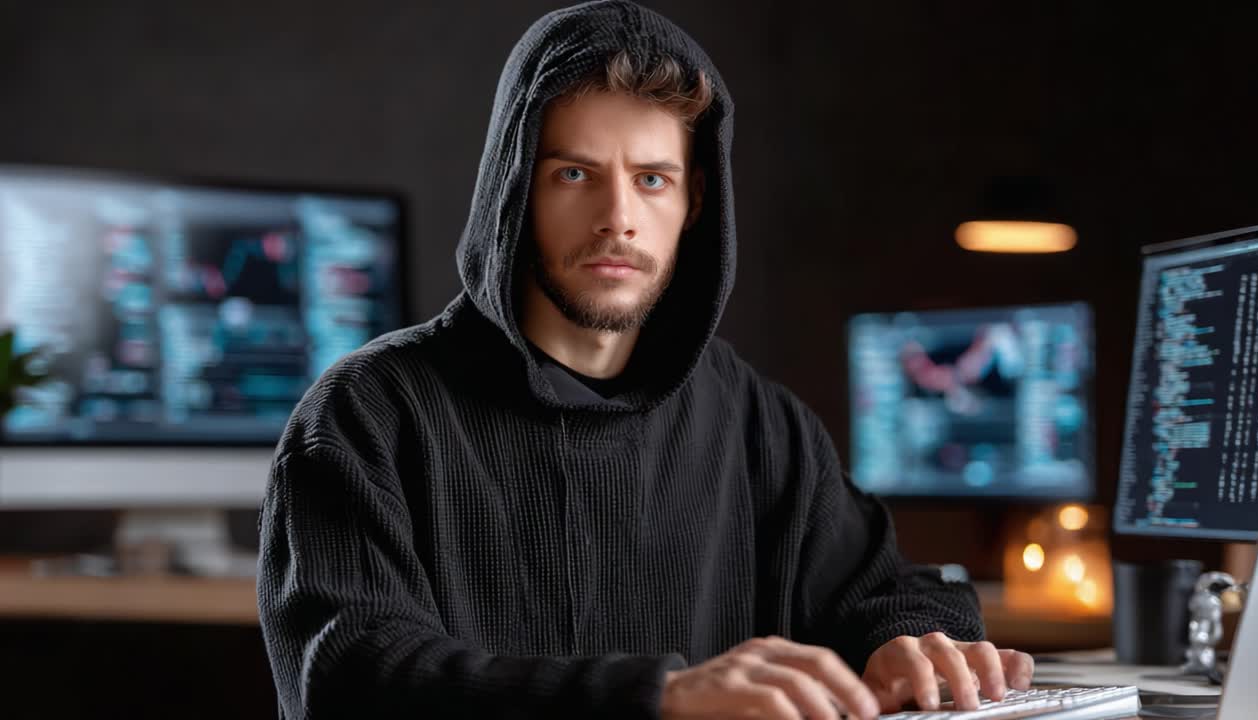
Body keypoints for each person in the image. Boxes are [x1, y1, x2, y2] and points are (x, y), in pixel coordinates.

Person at [257, 1, 1034, 718]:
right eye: (574, 174)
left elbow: (888, 589)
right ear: (514, 190)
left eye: (651, 180)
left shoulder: (757, 420)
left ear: (693, 202)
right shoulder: (367, 414)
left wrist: (911, 641)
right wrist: (655, 698)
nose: (618, 218)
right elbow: (354, 676)